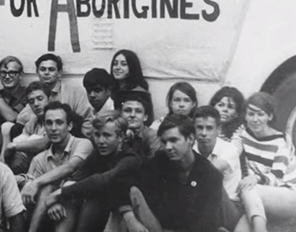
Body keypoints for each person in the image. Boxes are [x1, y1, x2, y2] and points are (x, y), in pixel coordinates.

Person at [112, 114, 225, 232]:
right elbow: (120, 179)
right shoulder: (161, 160)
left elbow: (206, 225)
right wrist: (130, 218)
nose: (168, 147)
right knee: (128, 198)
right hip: (157, 226)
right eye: (164, 142)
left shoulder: (210, 175)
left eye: (174, 140)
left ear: (191, 139)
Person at [43, 110, 142, 232]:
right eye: (97, 135)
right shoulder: (98, 155)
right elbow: (75, 178)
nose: (100, 141)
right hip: (102, 213)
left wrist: (59, 194)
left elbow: (103, 180)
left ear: (120, 137)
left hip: (128, 217)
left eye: (107, 135)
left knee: (93, 200)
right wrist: (58, 201)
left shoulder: (130, 158)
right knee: (74, 199)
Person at [21, 102, 93, 232]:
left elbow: (70, 167)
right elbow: (32, 195)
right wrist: (50, 203)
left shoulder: (83, 144)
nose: (53, 128)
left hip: (81, 208)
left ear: (69, 126)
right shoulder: (39, 159)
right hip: (49, 212)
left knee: (67, 190)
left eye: (59, 122)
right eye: (49, 123)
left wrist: (37, 183)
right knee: (45, 189)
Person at [232, 92, 296, 222]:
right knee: (246, 213)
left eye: (260, 114)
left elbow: (276, 178)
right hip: (258, 195)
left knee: (248, 189)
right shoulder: (243, 136)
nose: (255, 119)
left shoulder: (281, 141)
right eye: (251, 114)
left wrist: (255, 178)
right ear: (245, 116)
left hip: (288, 194)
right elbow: (231, 152)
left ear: (270, 116)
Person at [16, 54, 92, 131]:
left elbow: (88, 119)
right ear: (37, 72)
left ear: (59, 73)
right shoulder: (36, 94)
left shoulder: (75, 92)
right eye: (42, 69)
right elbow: (21, 118)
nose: (46, 73)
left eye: (51, 69)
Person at [2, 81, 51, 175]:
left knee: (33, 139)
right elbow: (19, 142)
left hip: (53, 166)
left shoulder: (55, 119)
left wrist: (13, 146)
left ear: (49, 99)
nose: (36, 104)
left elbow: (44, 143)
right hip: (32, 166)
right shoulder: (32, 123)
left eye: (40, 99)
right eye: (31, 101)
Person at [0, 56, 27, 128]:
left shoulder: (28, 94)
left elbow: (12, 118)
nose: (7, 77)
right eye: (3, 72)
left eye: (12, 73)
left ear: (21, 75)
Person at [116, 88, 162, 159]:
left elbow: (153, 164)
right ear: (120, 114)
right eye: (127, 110)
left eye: (138, 111)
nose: (132, 115)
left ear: (145, 117)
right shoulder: (114, 133)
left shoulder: (152, 137)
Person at [81, 68, 115, 138]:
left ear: (109, 91)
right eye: (89, 91)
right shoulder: (92, 112)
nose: (92, 95)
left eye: (97, 90)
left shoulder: (114, 113)